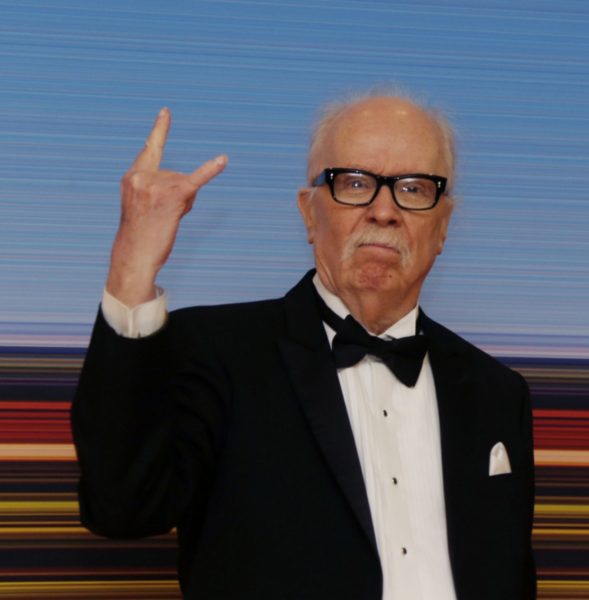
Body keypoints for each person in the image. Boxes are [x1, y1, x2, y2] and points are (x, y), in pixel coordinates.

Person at [72, 91, 536, 599]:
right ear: (309, 213)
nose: (384, 210)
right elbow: (122, 508)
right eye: (354, 183)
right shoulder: (214, 351)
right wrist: (132, 264)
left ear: (443, 226)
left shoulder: (498, 393)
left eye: (414, 188)